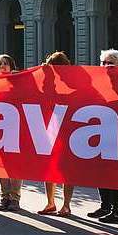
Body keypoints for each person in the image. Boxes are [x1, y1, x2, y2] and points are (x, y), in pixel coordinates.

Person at [89, 49, 118, 223]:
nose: (106, 66)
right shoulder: (99, 81)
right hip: (101, 131)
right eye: (104, 62)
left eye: (111, 62)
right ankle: (105, 205)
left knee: (117, 174)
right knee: (101, 171)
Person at [38, 51, 76, 216]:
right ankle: (54, 203)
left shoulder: (71, 80)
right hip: (53, 125)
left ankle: (63, 204)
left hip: (65, 126)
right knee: (50, 166)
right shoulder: (50, 80)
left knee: (65, 169)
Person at [0, 54, 22, 212]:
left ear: (11, 66)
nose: (3, 66)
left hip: (15, 127)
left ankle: (15, 197)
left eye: (5, 63)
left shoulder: (18, 82)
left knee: (15, 165)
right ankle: (4, 196)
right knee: (2, 165)